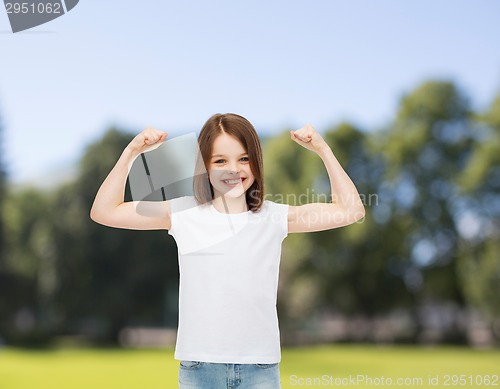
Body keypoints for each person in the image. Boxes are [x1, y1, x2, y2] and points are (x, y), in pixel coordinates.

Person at [90, 113, 365, 389]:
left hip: (260, 369)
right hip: (200, 369)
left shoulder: (274, 217)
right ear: (205, 168)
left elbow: (351, 210)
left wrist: (323, 150)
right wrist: (132, 152)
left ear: (257, 163)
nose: (233, 169)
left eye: (244, 159)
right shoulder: (183, 213)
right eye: (220, 160)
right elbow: (104, 211)